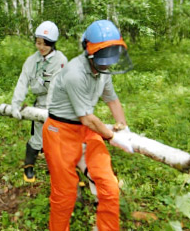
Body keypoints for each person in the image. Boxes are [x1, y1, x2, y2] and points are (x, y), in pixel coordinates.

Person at [42, 20, 134, 230]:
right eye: (102, 58)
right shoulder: (75, 73)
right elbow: (87, 118)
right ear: (88, 49)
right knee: (64, 194)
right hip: (60, 132)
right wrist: (112, 137)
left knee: (109, 186)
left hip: (87, 131)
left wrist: (123, 127)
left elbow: (112, 100)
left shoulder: (103, 70)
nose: (106, 64)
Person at [11, 21, 67, 183]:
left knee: (58, 138)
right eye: (38, 43)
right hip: (40, 104)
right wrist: (16, 104)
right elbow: (23, 82)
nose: (41, 47)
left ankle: (59, 167)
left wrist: (51, 113)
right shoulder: (32, 60)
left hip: (60, 104)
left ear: (52, 43)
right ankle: (29, 166)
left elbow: (56, 88)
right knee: (38, 137)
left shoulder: (60, 61)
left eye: (45, 44)